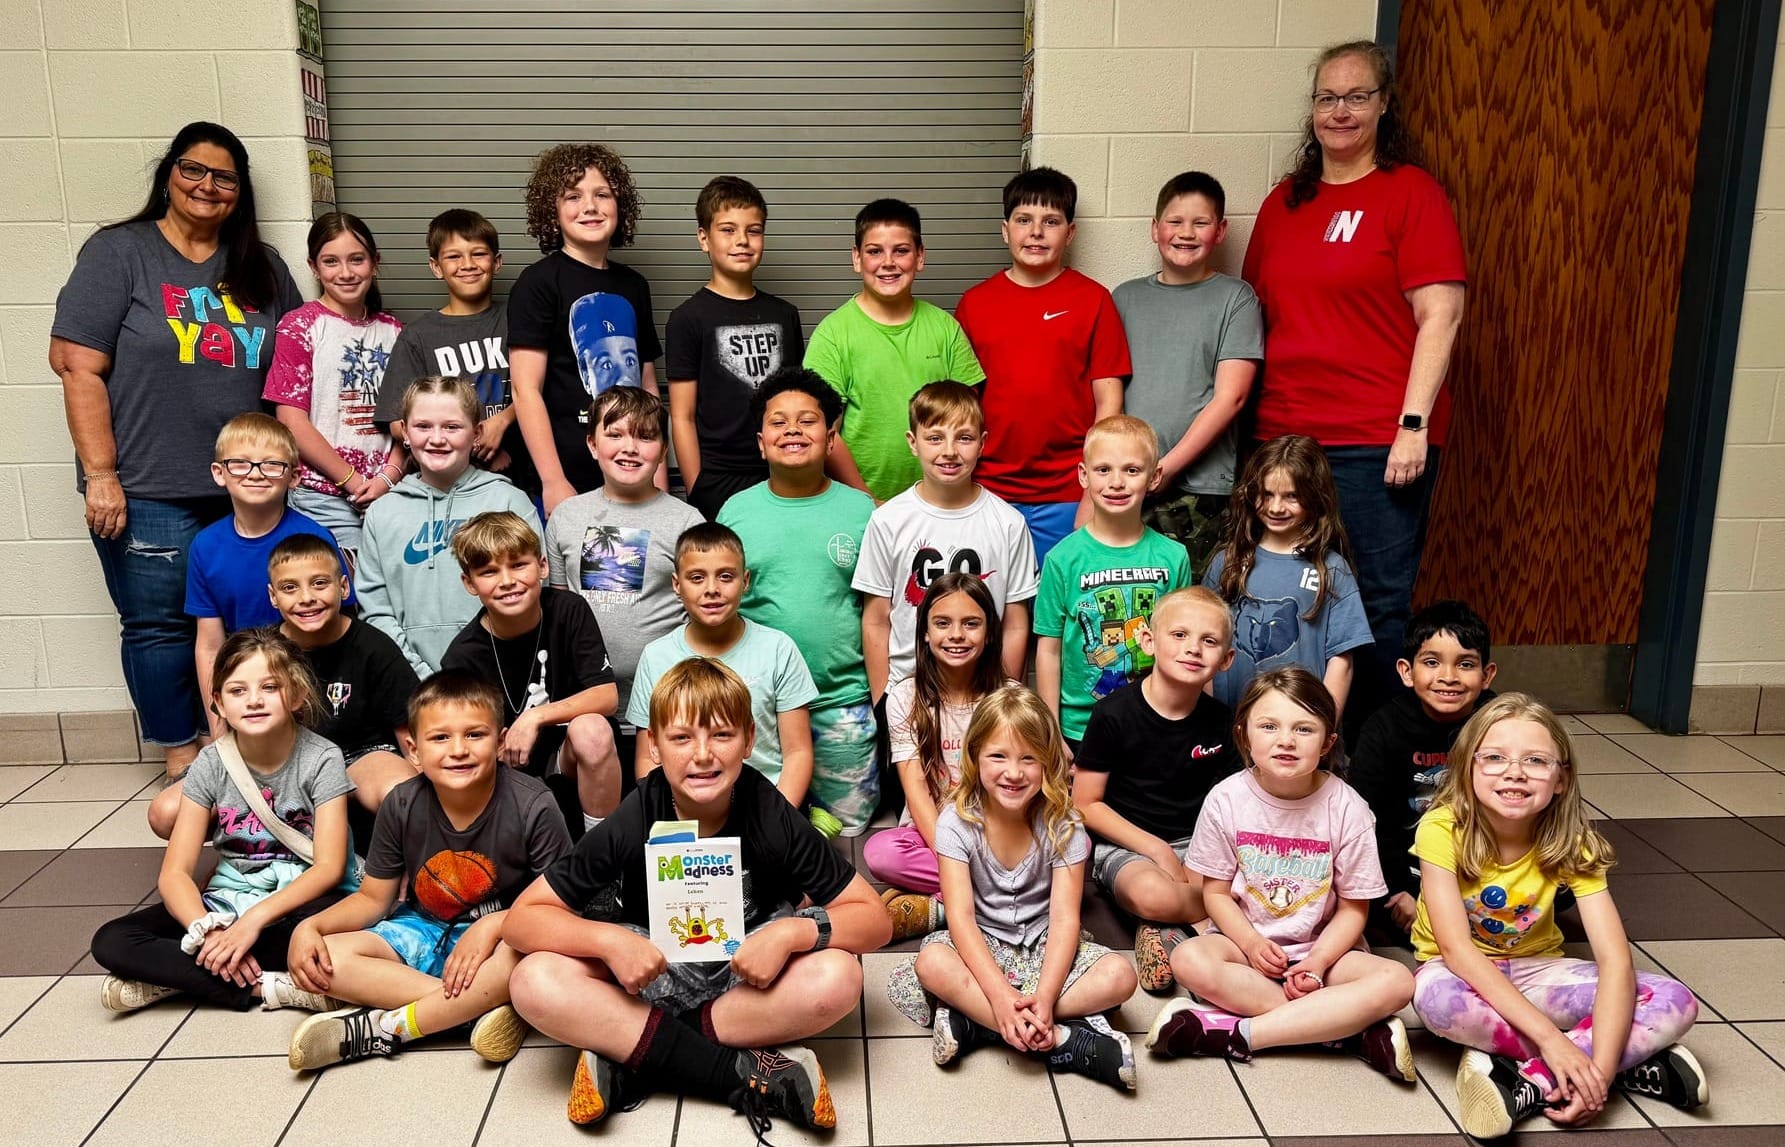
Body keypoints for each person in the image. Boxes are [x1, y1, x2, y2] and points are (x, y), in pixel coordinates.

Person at [505, 658, 892, 1132]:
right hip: (653, 968)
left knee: (841, 977)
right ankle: (739, 1072)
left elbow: (875, 921)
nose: (703, 755)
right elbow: (523, 919)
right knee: (532, 980)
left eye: (722, 735)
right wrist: (609, 941)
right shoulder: (638, 811)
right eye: (682, 738)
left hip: (748, 976)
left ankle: (633, 1054)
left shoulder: (768, 810)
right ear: (654, 745)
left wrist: (792, 934)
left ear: (749, 740)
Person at [51, 121, 305, 779]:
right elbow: (77, 365)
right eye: (193, 169)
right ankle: (183, 755)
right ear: (169, 174)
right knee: (159, 625)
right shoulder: (120, 253)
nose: (206, 185)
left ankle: (255, 748)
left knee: (257, 618)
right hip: (148, 485)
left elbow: (295, 371)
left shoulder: (262, 266)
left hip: (248, 484)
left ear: (240, 191)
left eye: (224, 177)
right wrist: (101, 475)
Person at [1243, 40, 1467, 707]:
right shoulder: (1285, 203)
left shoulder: (1411, 194)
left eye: (1356, 96)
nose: (1339, 111)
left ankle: (1365, 748)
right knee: (1281, 590)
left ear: (1383, 104)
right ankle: (1289, 738)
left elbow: (1441, 314)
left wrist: (1412, 425)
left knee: (1375, 598)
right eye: (1326, 98)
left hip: (1376, 440)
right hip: (1284, 438)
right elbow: (1255, 317)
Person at [1409, 694, 1706, 1137]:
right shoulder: (1441, 827)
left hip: (1539, 970)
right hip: (1457, 972)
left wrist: (1600, 1071)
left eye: (1535, 760)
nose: (1514, 772)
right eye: (1494, 757)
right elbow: (1456, 950)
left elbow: (1615, 961)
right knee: (1435, 1002)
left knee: (1676, 1000)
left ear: (1561, 779)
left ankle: (1530, 1080)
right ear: (1467, 769)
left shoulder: (1573, 841)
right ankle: (1627, 1064)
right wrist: (1552, 1040)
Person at [284, 672, 572, 1070]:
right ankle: (474, 1011)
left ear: (501, 741)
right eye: (440, 738)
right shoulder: (401, 804)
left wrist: (494, 926)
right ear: (413, 751)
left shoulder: (533, 804)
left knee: (527, 958)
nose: (458, 750)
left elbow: (560, 906)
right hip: (425, 929)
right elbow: (373, 899)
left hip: (508, 937)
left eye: (475, 735)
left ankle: (388, 1026)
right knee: (328, 956)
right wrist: (311, 927)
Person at [1145, 668, 1416, 1084]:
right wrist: (1252, 944)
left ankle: (1242, 1032)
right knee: (1188, 959)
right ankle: (1343, 1029)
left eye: (1303, 729)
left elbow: (1353, 910)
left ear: (1327, 743)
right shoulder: (1226, 799)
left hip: (1325, 953)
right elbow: (1215, 895)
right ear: (1244, 735)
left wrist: (1318, 962)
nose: (1286, 740)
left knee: (1397, 981)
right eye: (1269, 726)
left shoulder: (1349, 808)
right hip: (1246, 949)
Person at [885, 685, 1138, 1092]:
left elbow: (1064, 919)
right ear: (974, 757)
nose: (1014, 772)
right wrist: (1001, 995)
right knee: (931, 963)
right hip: (981, 945)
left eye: (1029, 758)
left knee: (1120, 976)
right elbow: (961, 919)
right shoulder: (955, 823)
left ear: (1048, 761)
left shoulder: (1065, 825)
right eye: (998, 756)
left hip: (1046, 947)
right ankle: (1061, 1039)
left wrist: (1045, 995)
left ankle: (980, 1024)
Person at [90, 630, 354, 1013]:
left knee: (324, 934)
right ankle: (267, 986)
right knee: (112, 940)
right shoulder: (211, 763)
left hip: (298, 901)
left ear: (297, 695)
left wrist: (251, 923)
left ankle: (177, 979)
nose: (254, 700)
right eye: (237, 691)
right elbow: (175, 874)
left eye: (269, 687)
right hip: (227, 899)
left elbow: (328, 868)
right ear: (218, 703)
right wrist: (207, 931)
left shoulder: (322, 758)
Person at [719, 369, 878, 835]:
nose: (793, 430)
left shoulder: (863, 512)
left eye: (807, 421)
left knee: (847, 832)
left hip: (841, 701)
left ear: (830, 439)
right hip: (757, 706)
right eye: (779, 422)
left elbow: (879, 614)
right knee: (756, 824)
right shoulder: (736, 513)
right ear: (761, 443)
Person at [955, 167, 1131, 562]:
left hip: (1068, 492)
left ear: (1070, 233)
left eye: (1050, 222)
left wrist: (1093, 493)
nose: (1036, 232)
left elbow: (1109, 405)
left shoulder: (1094, 301)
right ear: (1005, 231)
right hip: (988, 489)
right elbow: (961, 407)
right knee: (984, 597)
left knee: (1058, 598)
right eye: (1024, 220)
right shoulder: (975, 304)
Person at [1072, 586, 1241, 993]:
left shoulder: (1224, 721)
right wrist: (1157, 849)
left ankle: (1162, 932)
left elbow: (1235, 805)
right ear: (1148, 641)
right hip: (1128, 847)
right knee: (1152, 894)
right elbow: (1085, 804)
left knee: (1256, 883)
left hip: (1200, 846)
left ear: (1226, 659)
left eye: (1209, 641)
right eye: (1179, 635)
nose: (1193, 648)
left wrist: (1206, 860)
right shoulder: (1113, 714)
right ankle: (1203, 924)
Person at [546, 386, 703, 773]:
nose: (629, 448)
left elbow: (702, 617)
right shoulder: (566, 517)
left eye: (645, 436)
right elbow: (558, 612)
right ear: (592, 444)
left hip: (665, 706)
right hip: (586, 709)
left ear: (663, 450)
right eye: (615, 434)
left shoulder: (687, 522)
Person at [1114, 171, 1262, 575]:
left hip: (1201, 491)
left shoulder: (1236, 299)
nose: (1186, 233)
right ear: (1155, 228)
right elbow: (1109, 393)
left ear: (1220, 231)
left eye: (1201, 222)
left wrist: (1165, 469)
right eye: (1175, 221)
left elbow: (1231, 397)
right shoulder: (1124, 298)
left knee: (1193, 603)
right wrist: (1124, 472)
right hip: (1126, 484)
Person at [438, 511, 622, 835]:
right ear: (469, 583)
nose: (507, 581)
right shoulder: (462, 656)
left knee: (592, 730)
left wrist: (534, 717)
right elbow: (469, 737)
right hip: (509, 767)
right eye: (489, 572)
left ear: (542, 566)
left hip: (570, 757)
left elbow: (606, 697)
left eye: (518, 565)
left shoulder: (568, 610)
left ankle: (602, 852)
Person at [853, 380, 1036, 703]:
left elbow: (1015, 624)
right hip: (909, 692)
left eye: (964, 438)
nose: (949, 451)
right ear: (913, 442)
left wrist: (1003, 700)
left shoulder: (1008, 524)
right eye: (935, 438)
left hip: (986, 694)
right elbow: (876, 620)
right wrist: (885, 700)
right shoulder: (887, 521)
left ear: (982, 443)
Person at [508, 143, 660, 513]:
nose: (590, 206)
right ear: (552, 211)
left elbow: (648, 385)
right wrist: (553, 480)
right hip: (567, 478)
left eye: (602, 194)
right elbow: (525, 390)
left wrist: (656, 473)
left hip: (632, 473)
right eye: (573, 196)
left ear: (620, 205)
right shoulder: (538, 283)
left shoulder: (634, 286)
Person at [357, 376, 544, 676]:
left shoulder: (508, 501)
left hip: (498, 676)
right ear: (404, 431)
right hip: (413, 683)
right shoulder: (382, 513)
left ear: (476, 432)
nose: (437, 438)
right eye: (423, 426)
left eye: (452, 427)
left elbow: (533, 593)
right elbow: (376, 610)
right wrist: (421, 679)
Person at [803, 198, 985, 502]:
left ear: (920, 257)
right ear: (857, 258)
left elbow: (967, 421)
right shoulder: (833, 335)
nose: (888, 262)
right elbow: (823, 431)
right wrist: (867, 501)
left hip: (939, 500)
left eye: (901, 251)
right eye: (875, 251)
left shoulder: (945, 329)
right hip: (861, 503)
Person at [627, 523, 817, 810]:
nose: (712, 590)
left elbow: (798, 752)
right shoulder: (656, 657)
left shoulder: (778, 649)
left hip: (767, 805)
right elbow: (647, 758)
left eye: (726, 576)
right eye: (697, 578)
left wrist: (779, 819)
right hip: (685, 809)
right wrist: (673, 817)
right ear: (677, 585)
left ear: (745, 580)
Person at [1034, 415, 1193, 750]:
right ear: (1083, 475)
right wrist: (1051, 730)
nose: (1116, 482)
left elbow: (1184, 640)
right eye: (1103, 469)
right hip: (1080, 728)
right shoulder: (1062, 559)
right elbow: (1048, 650)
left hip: (1155, 720)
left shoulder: (1173, 557)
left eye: (1131, 470)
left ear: (1154, 477)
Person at [870, 574, 1010, 939]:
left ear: (990, 633)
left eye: (971, 624)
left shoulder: (1007, 697)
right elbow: (915, 787)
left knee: (1074, 844)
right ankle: (1001, 898)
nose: (956, 635)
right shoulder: (905, 697)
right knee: (881, 854)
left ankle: (943, 907)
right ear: (925, 633)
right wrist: (950, 856)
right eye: (943, 623)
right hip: (931, 833)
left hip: (997, 833)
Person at [1350, 599, 1497, 938]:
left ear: (1487, 675)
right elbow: (1368, 823)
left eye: (1465, 664)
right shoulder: (1383, 730)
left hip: (1481, 860)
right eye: (1432, 662)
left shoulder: (1502, 723)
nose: (1448, 677)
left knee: (1557, 890)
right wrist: (1399, 890)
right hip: (1407, 864)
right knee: (1357, 898)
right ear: (1406, 671)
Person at [186, 413, 348, 721]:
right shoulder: (205, 546)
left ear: (294, 476)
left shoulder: (314, 537)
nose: (256, 474)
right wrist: (219, 724)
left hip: (313, 684)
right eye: (240, 463)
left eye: (272, 464)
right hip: (249, 691)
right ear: (219, 473)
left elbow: (342, 628)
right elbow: (209, 646)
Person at [263, 212, 403, 560]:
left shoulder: (395, 330)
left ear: (375, 262)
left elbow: (411, 419)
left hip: (391, 490)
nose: (345, 272)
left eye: (357, 259)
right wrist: (354, 482)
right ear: (313, 267)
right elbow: (292, 422)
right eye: (331, 261)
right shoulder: (299, 326)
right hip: (323, 495)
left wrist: (388, 477)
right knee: (347, 585)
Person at [665, 176, 806, 519]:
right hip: (719, 478)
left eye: (753, 230)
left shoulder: (785, 314)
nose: (742, 240)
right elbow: (682, 416)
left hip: (781, 469)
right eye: (728, 230)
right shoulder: (687, 318)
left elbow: (797, 400)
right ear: (704, 238)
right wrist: (698, 488)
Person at [1205, 435, 1373, 717]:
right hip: (1227, 720)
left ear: (1315, 496)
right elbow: (1204, 639)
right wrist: (1206, 717)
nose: (1275, 507)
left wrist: (1322, 725)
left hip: (1298, 726)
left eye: (1291, 496)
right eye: (1267, 494)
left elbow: (1341, 660)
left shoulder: (1331, 569)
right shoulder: (1228, 561)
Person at [374, 209, 532, 495]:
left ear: (496, 262)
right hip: (444, 486)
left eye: (478, 254)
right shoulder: (418, 336)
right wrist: (470, 442)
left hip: (521, 480)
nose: (467, 264)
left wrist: (502, 421)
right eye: (454, 256)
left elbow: (544, 392)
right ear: (436, 267)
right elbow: (398, 424)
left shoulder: (520, 319)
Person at [268, 533, 420, 813]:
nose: (306, 598)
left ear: (344, 587)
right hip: (286, 762)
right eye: (290, 588)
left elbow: (410, 732)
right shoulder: (262, 652)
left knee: (404, 798)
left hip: (362, 757)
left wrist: (428, 799)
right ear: (273, 596)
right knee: (178, 801)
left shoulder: (374, 647)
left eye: (320, 583)